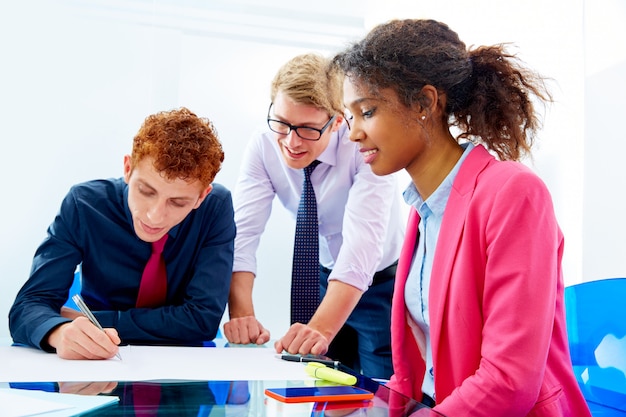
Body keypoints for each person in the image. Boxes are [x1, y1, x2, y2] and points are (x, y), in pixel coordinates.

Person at [333, 19, 591, 417]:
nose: (353, 134)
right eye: (349, 118)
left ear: (424, 103)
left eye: (366, 111)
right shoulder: (422, 211)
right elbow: (422, 370)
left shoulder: (513, 192)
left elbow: (509, 381)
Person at [223, 53, 404, 379]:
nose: (290, 142)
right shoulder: (264, 145)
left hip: (381, 283)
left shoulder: (366, 146)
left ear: (337, 121)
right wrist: (242, 317)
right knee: (321, 387)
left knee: (385, 390)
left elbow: (361, 245)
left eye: (307, 129)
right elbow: (243, 234)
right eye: (282, 122)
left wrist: (319, 327)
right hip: (324, 275)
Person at [9, 107, 236, 360]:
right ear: (128, 169)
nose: (154, 216)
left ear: (201, 197)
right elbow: (28, 307)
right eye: (146, 191)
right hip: (95, 364)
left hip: (184, 366)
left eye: (178, 203)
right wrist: (60, 332)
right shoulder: (84, 205)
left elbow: (201, 320)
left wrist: (94, 320)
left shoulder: (215, 207)